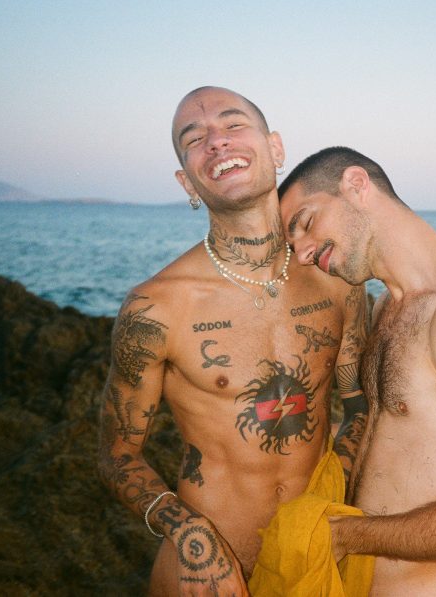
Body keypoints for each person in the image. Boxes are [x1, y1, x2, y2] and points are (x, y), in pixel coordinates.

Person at [97, 88, 370, 596]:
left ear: (276, 148)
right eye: (194, 139)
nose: (217, 142)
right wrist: (192, 535)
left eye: (233, 125)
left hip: (320, 555)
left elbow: (358, 409)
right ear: (188, 182)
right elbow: (117, 454)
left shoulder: (338, 281)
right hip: (208, 574)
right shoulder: (156, 308)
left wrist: (326, 510)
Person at [278, 146, 436, 596]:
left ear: (357, 185)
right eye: (292, 243)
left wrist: (341, 536)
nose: (301, 253)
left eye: (306, 223)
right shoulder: (385, 308)